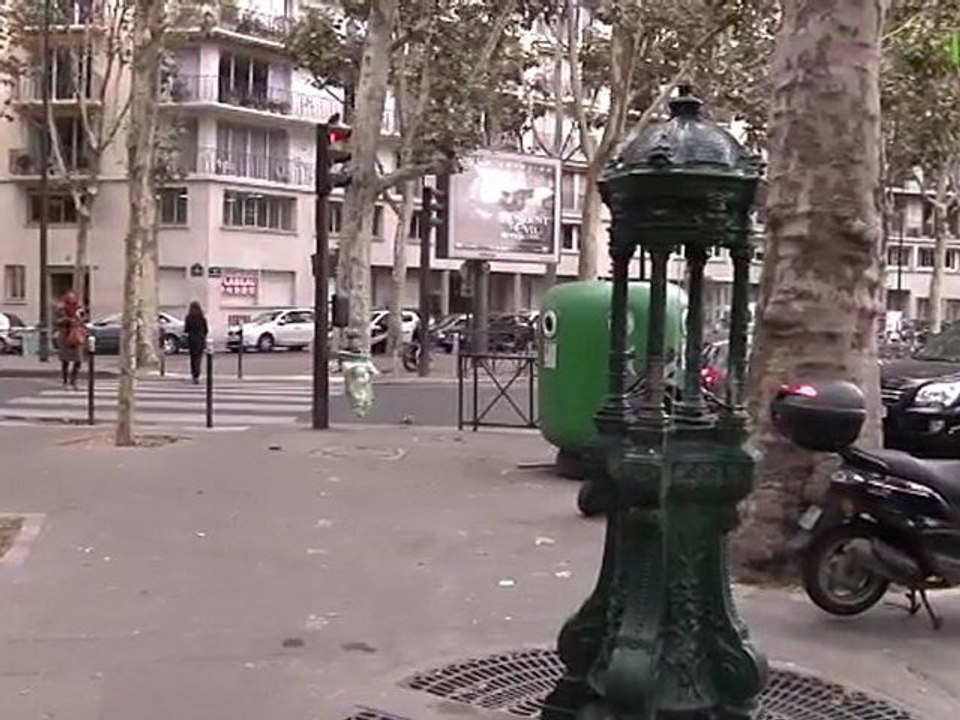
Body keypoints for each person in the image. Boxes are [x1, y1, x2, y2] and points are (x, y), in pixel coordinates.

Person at [55, 290, 85, 389]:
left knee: (78, 360)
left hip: (76, 335)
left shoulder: (79, 308)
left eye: (73, 298)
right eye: (69, 298)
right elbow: (57, 321)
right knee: (65, 360)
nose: (72, 300)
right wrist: (67, 319)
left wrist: (79, 317)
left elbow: (84, 319)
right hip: (65, 335)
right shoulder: (61, 308)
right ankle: (65, 382)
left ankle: (74, 381)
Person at [184, 301, 208, 384]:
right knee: (199, 358)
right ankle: (197, 374)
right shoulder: (202, 318)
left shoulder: (188, 317)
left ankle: (194, 374)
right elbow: (206, 330)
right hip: (200, 339)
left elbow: (186, 329)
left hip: (192, 339)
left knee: (192, 358)